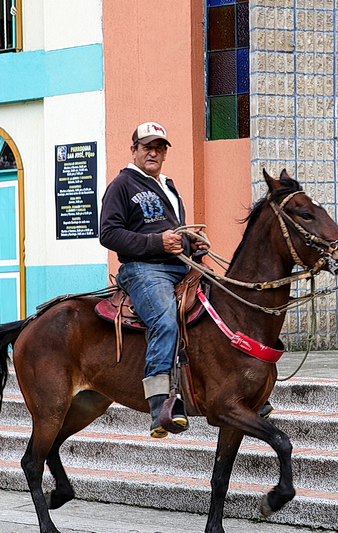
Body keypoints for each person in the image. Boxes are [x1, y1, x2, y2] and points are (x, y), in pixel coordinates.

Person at [99, 122, 207, 438]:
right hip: (143, 270)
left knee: (222, 306)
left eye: (159, 147)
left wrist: (190, 244)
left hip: (179, 267)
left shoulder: (169, 187)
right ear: (134, 150)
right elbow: (108, 234)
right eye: (147, 146)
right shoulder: (122, 185)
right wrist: (157, 244)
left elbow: (173, 235)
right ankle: (160, 404)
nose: (153, 152)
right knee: (166, 320)